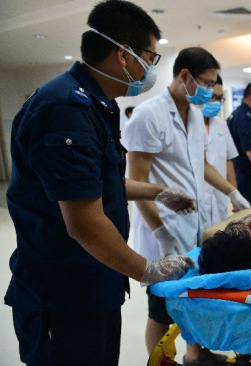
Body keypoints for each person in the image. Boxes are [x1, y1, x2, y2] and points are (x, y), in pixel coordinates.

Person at [4, 1, 197, 365]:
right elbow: (83, 222)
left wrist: (160, 192)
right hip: (63, 294)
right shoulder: (65, 109)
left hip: (96, 283)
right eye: (150, 59)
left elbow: (97, 184)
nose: (150, 70)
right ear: (124, 55)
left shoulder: (96, 105)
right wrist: (147, 269)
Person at [125, 47, 249, 365]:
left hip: (192, 224)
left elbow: (203, 164)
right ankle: (159, 361)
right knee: (161, 309)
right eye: (205, 83)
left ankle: (195, 354)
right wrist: (162, 234)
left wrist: (233, 192)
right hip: (160, 230)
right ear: (185, 76)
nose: (209, 91)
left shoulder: (194, 116)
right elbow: (134, 185)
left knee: (191, 299)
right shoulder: (148, 115)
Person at [201, 74, 240, 226]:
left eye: (220, 98)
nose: (217, 103)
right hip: (196, 199)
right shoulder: (188, 122)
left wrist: (234, 194)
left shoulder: (221, 125)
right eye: (213, 98)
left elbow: (228, 159)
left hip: (218, 197)